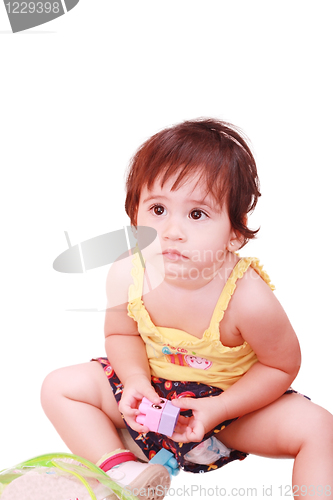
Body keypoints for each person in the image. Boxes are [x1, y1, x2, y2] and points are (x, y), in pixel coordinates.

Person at [41, 118, 333, 500]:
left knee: (319, 428)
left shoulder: (247, 297)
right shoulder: (127, 272)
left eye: (197, 214)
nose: (172, 231)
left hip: (231, 411)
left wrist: (220, 407)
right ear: (134, 217)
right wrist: (135, 382)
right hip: (154, 399)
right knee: (59, 387)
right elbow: (121, 334)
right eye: (158, 209)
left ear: (235, 232)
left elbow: (280, 365)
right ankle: (124, 473)